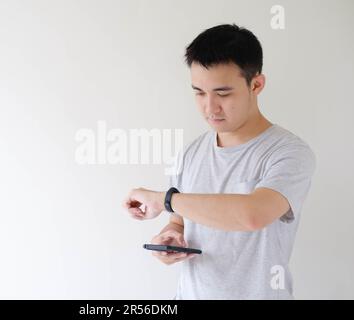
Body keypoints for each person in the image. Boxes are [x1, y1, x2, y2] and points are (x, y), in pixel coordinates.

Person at [123, 24, 316, 299]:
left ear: (256, 84)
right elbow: (179, 221)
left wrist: (164, 200)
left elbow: (253, 214)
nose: (209, 107)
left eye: (223, 93)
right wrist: (171, 236)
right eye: (199, 92)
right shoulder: (190, 154)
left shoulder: (289, 152)